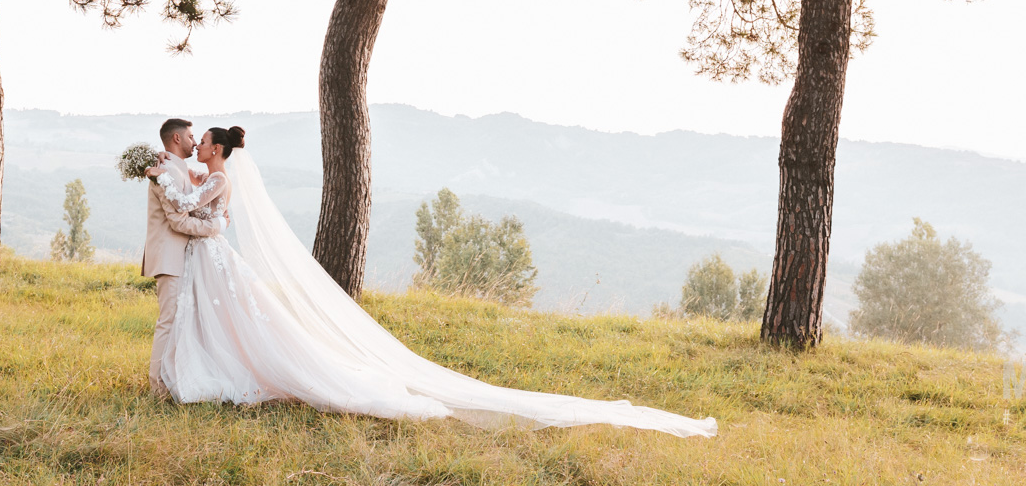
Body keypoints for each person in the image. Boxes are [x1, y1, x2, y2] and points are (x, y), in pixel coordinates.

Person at [149, 124, 716, 436]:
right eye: (192, 141)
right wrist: (170, 174)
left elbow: (201, 211)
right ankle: (191, 371)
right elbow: (194, 194)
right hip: (208, 259)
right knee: (226, 321)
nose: (196, 145)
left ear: (217, 148)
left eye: (202, 142)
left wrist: (166, 184)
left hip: (212, 254)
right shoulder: (208, 170)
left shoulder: (216, 177)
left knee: (247, 323)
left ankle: (211, 374)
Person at [140, 117, 222, 400]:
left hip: (182, 256)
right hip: (170, 255)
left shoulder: (177, 168)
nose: (195, 142)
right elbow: (177, 221)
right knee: (168, 322)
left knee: (179, 321)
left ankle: (175, 379)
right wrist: (215, 227)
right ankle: (158, 389)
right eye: (190, 136)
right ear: (176, 139)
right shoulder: (167, 172)